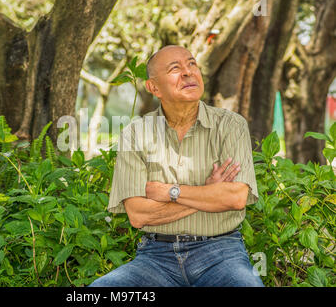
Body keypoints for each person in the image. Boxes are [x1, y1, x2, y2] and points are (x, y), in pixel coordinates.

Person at [89, 45, 264, 287]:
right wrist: (208, 192)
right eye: (175, 68)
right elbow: (138, 215)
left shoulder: (230, 125)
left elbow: (235, 198)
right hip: (155, 258)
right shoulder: (135, 134)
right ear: (153, 87)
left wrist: (170, 192)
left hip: (222, 254)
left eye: (192, 64)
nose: (188, 72)